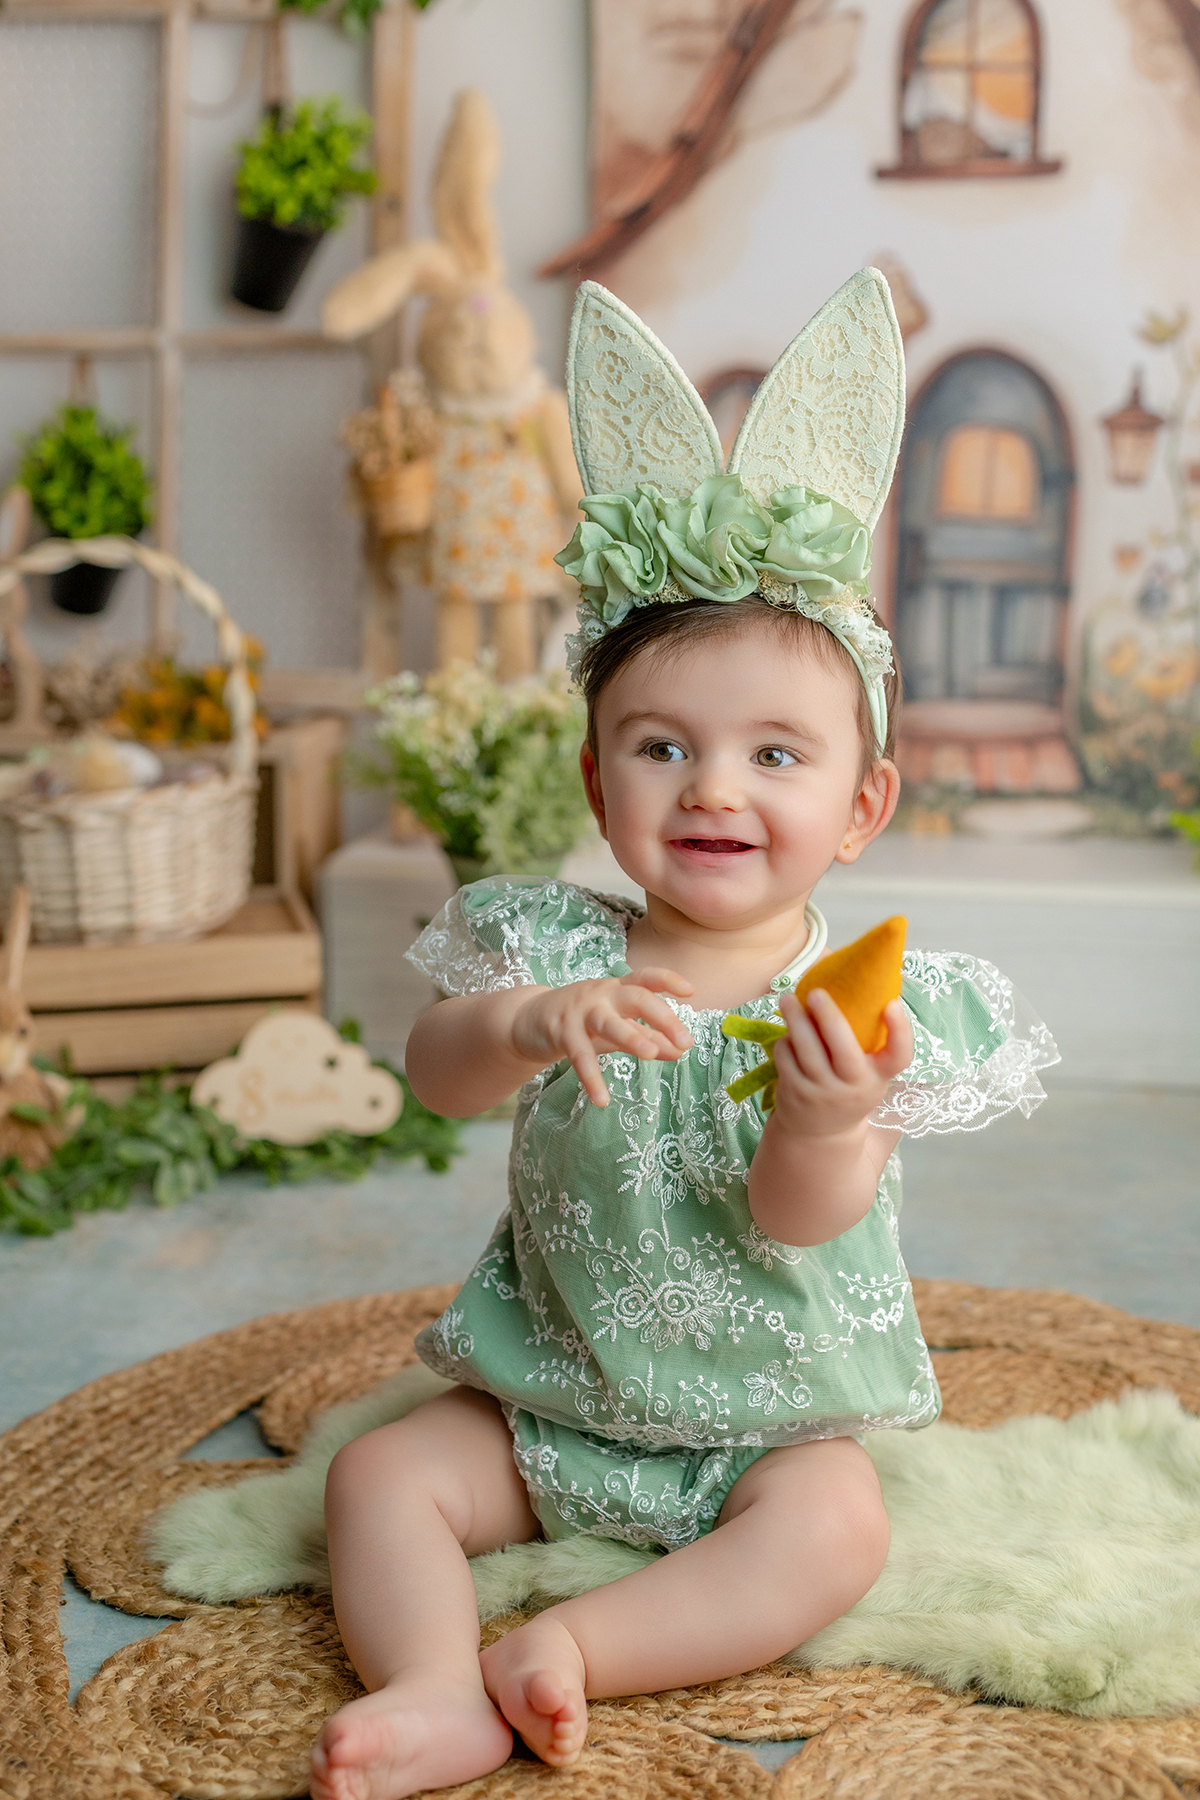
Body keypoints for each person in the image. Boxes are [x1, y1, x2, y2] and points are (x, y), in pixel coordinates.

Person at [309, 274, 1058, 1800]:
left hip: (762, 1424)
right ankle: (441, 1684)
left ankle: (579, 1646)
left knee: (839, 1524)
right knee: (380, 1471)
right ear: (599, 785)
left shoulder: (854, 1002)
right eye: (666, 748)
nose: (716, 789)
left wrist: (826, 1122)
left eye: (776, 754)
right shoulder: (558, 945)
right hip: (550, 1392)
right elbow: (435, 1078)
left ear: (860, 809)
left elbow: (804, 1218)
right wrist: (523, 1022)